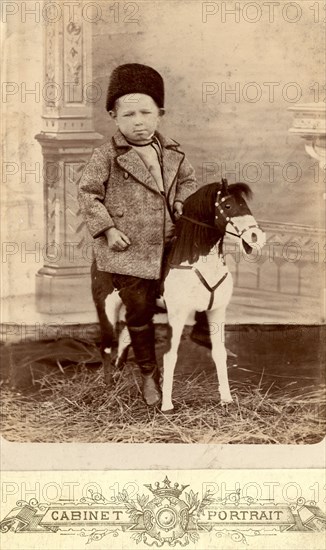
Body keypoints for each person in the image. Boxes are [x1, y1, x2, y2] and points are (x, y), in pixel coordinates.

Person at [78, 63, 197, 406]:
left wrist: (179, 202)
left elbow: (187, 181)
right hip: (126, 251)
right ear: (113, 116)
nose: (138, 121)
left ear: (160, 114)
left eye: (146, 112)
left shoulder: (172, 152)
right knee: (140, 310)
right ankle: (149, 374)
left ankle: (203, 331)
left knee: (197, 286)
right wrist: (108, 229)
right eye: (128, 114)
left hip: (169, 245)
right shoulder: (107, 156)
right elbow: (87, 194)